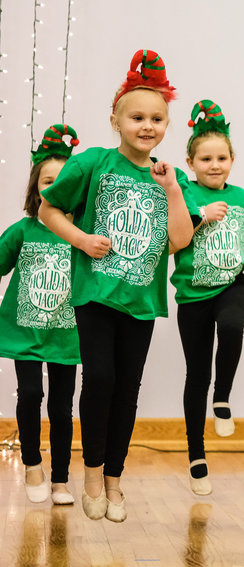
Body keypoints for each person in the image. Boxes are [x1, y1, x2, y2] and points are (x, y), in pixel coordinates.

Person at [39, 49, 196, 523]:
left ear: (167, 125)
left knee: (128, 388)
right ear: (116, 119)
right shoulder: (92, 163)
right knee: (101, 378)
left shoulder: (170, 177)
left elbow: (179, 241)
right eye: (137, 117)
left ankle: (114, 479)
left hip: (141, 301)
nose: (147, 126)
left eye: (157, 119)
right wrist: (83, 239)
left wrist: (171, 191)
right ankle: (91, 471)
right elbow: (49, 210)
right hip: (95, 294)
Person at [171, 100, 244, 496]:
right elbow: (169, 244)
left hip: (231, 285)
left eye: (221, 157)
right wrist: (199, 214)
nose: (214, 165)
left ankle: (222, 397)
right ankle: (196, 455)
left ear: (232, 160)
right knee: (195, 374)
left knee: (233, 327)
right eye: (205, 158)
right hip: (191, 296)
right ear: (190, 162)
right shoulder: (183, 195)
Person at [0, 125, 81, 505]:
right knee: (30, 392)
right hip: (25, 333)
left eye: (64, 181)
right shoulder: (23, 231)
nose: (56, 187)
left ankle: (62, 480)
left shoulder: (82, 234)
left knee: (62, 407)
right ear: (36, 188)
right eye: (48, 180)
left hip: (68, 335)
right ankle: (32, 463)